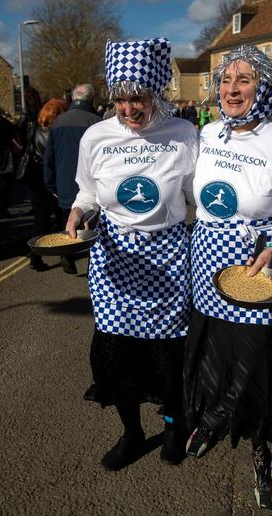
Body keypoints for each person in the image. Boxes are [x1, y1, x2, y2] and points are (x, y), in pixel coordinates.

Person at [184, 45, 272, 510]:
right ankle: (212, 419)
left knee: (253, 362)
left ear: (262, 87)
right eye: (225, 80)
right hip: (205, 262)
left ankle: (260, 449)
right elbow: (169, 181)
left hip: (257, 266)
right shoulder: (206, 135)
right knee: (210, 350)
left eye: (243, 80)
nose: (231, 89)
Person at [65, 37, 198, 471]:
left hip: (168, 256)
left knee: (167, 355)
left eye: (137, 98)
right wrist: (78, 213)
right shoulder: (96, 137)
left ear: (156, 92)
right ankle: (132, 432)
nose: (128, 109)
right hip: (114, 256)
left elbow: (199, 196)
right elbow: (87, 190)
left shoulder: (183, 134)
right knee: (119, 353)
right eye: (120, 100)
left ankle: (175, 425)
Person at [43, 83, 101, 274]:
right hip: (92, 182)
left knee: (68, 221)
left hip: (64, 182)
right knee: (93, 226)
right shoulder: (96, 121)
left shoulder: (58, 121)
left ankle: (67, 254)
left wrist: (50, 184)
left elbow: (48, 156)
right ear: (90, 99)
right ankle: (94, 261)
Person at [24, 97, 66, 271]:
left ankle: (35, 257)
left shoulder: (34, 129)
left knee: (40, 220)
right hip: (51, 179)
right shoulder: (57, 132)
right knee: (61, 217)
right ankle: (65, 253)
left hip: (34, 179)